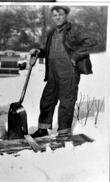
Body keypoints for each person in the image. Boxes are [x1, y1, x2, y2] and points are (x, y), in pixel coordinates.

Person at [29, 6, 97, 138]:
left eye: (60, 14)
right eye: (55, 15)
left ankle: (63, 132)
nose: (58, 17)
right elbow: (49, 52)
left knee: (66, 101)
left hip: (69, 72)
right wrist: (39, 51)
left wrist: (76, 56)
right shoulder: (51, 33)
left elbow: (92, 41)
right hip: (53, 73)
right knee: (47, 100)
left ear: (66, 15)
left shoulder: (75, 29)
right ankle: (43, 129)